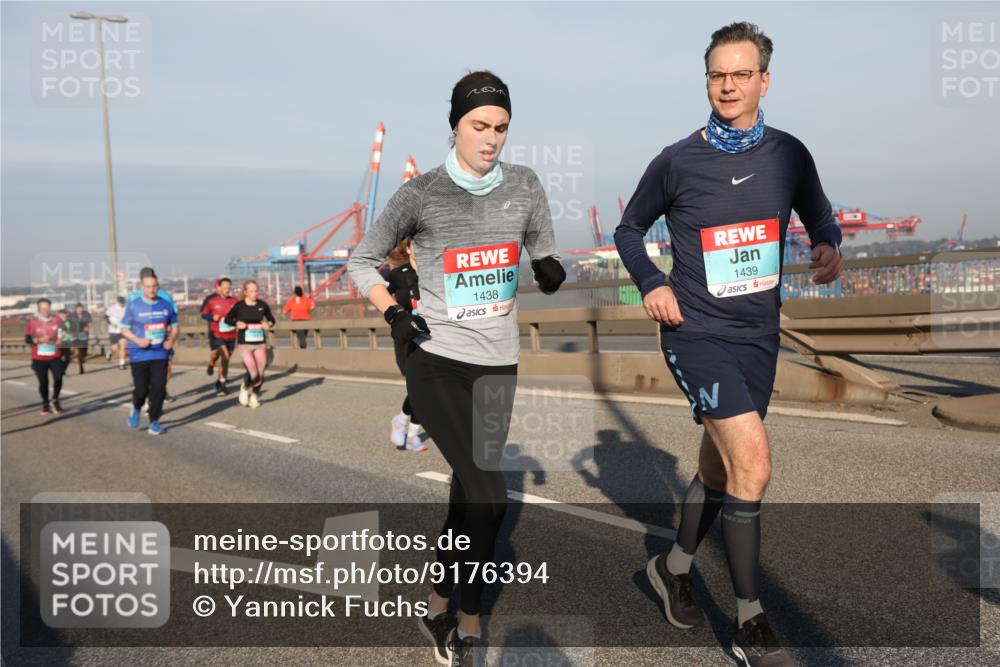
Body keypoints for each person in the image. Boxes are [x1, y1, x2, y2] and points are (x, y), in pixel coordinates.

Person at [613, 22, 843, 667]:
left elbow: (819, 213)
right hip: (696, 334)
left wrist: (828, 243)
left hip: (758, 336)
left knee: (720, 469)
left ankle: (672, 567)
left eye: (742, 74)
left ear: (764, 81)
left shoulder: (789, 154)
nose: (729, 85)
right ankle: (750, 621)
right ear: (707, 81)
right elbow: (630, 229)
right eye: (718, 74)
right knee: (754, 464)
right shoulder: (678, 160)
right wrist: (652, 283)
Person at [347, 70, 565, 667]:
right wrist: (393, 313)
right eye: (479, 125)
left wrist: (549, 265)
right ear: (455, 126)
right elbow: (361, 261)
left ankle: (437, 599)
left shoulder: (524, 184)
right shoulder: (421, 194)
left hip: (498, 362)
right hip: (436, 358)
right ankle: (467, 620)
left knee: (467, 497)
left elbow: (543, 241)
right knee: (492, 498)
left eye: (500, 127)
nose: (491, 137)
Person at [120, 269, 179, 435]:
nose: (151, 290)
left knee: (159, 389)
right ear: (142, 287)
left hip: (160, 353)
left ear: (158, 286)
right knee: (141, 390)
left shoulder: (165, 304)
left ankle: (154, 421)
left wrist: (172, 340)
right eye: (148, 287)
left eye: (154, 286)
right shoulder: (134, 305)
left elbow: (175, 327)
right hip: (139, 354)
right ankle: (136, 407)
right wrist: (138, 341)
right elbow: (124, 329)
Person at [383, 240, 426, 452]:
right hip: (407, 337)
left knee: (427, 389)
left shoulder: (432, 271)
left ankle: (411, 435)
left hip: (430, 336)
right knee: (417, 388)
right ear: (408, 249)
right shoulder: (397, 275)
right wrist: (395, 316)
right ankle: (400, 421)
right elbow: (379, 294)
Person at [128, 268, 178, 403]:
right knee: (145, 375)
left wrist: (171, 335)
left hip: (161, 339)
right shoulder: (133, 298)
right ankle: (148, 394)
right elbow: (128, 323)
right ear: (141, 282)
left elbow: (173, 318)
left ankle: (160, 390)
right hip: (142, 343)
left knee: (167, 368)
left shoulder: (165, 297)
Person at [223, 280, 276, 408]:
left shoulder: (262, 305)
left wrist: (267, 324)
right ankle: (245, 388)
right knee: (253, 372)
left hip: (260, 343)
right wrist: (237, 323)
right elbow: (227, 319)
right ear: (245, 292)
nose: (254, 293)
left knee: (261, 372)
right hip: (244, 344)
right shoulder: (239, 306)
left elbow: (271, 319)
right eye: (251, 291)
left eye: (256, 290)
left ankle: (254, 396)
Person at [24, 298, 66, 415]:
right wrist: (39, 340)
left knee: (58, 378)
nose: (45, 310)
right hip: (39, 358)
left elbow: (61, 333)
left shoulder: (57, 320)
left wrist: (60, 339)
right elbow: (27, 339)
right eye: (42, 308)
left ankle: (55, 399)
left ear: (50, 308)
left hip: (54, 356)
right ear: (38, 309)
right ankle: (45, 403)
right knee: (44, 383)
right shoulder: (33, 322)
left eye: (47, 308)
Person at [201, 277, 239, 395]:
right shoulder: (212, 301)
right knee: (225, 356)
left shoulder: (235, 301)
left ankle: (218, 380)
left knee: (224, 360)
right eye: (225, 288)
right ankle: (223, 386)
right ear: (219, 288)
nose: (227, 290)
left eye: (229, 288)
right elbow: (203, 314)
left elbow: (241, 314)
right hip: (217, 334)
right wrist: (212, 318)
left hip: (231, 334)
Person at [64, 302, 91, 374]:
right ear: (75, 309)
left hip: (83, 335)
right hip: (73, 334)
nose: (80, 310)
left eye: (81, 308)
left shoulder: (86, 314)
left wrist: (87, 327)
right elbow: (67, 324)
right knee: (71, 351)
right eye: (78, 308)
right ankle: (73, 365)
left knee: (83, 352)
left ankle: (79, 360)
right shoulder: (71, 315)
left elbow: (89, 323)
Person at [104, 296, 127, 370]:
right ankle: (110, 352)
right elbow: (106, 317)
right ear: (117, 302)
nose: (121, 304)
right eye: (120, 302)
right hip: (113, 331)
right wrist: (111, 323)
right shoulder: (112, 309)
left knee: (123, 345)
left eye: (122, 302)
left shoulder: (126, 308)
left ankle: (122, 364)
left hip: (123, 330)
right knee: (115, 348)